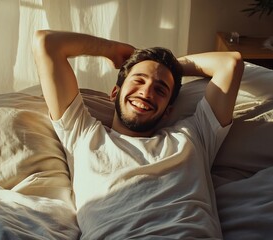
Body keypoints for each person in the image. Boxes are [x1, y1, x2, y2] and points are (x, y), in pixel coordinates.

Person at [32, 30, 244, 239]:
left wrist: (169, 66)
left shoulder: (192, 136)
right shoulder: (83, 134)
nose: (147, 92)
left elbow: (230, 63)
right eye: (139, 80)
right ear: (115, 92)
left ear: (168, 110)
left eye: (160, 89)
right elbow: (47, 42)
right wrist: (111, 50)